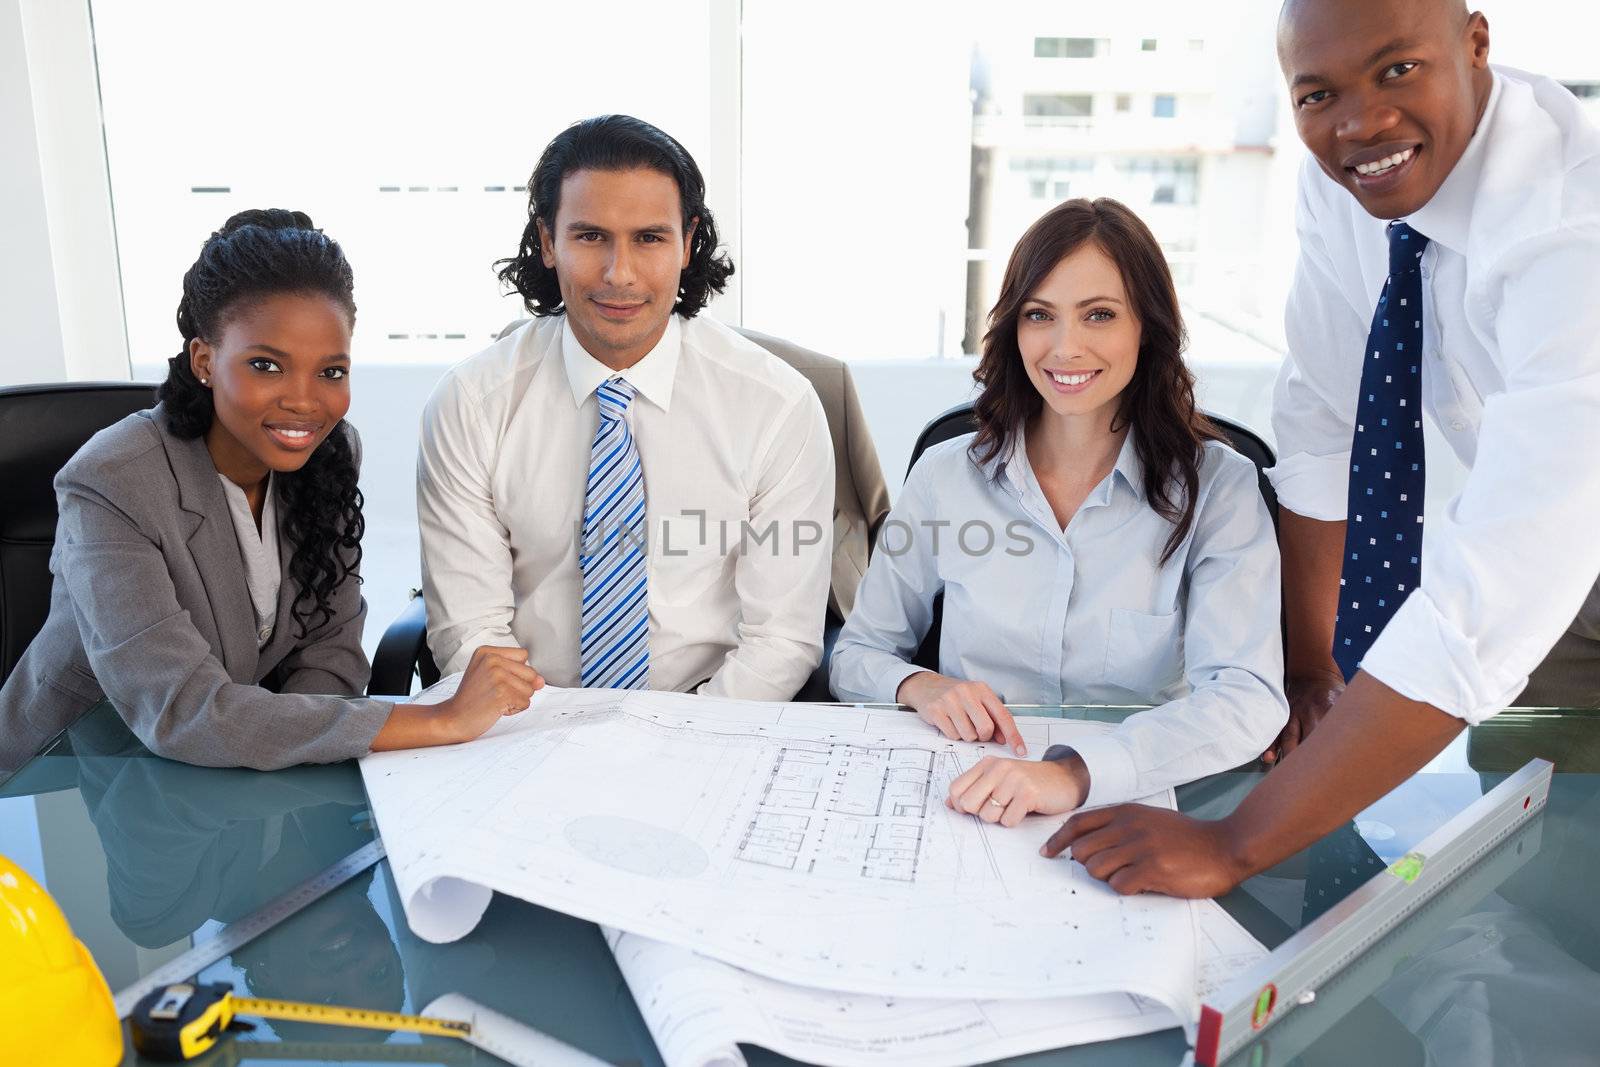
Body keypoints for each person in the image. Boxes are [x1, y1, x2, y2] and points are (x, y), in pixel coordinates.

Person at [1049, 0, 1600, 895]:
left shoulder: (1569, 232)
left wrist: (1234, 844)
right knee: (1539, 861)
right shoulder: (1355, 175)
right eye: (1317, 93)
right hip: (1562, 567)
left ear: (1476, 43)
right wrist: (1315, 665)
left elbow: (1485, 603)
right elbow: (1324, 424)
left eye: (1397, 71)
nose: (1359, 122)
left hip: (1552, 537)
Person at [0, 210, 539, 772]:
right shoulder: (113, 481)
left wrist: (288, 776)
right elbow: (182, 710)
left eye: (330, 372)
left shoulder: (327, 454)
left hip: (227, 779)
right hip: (72, 784)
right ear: (204, 360)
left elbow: (329, 652)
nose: (306, 402)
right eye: (266, 366)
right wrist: (439, 719)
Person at [829, 198, 1287, 824]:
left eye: (1099, 315)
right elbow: (857, 654)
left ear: (1147, 328)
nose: (1065, 347)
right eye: (1039, 315)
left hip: (1139, 798)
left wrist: (1073, 774)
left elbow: (1246, 697)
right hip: (964, 795)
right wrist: (918, 685)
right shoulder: (945, 477)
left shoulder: (1220, 488)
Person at [418, 115, 834, 700]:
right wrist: (546, 737)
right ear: (547, 241)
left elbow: (781, 640)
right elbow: (470, 632)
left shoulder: (776, 405)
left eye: (649, 238)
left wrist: (680, 742)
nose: (620, 274)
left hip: (711, 721)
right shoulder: (471, 403)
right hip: (529, 723)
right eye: (590, 236)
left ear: (688, 243)